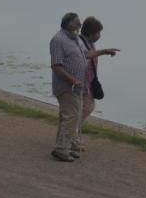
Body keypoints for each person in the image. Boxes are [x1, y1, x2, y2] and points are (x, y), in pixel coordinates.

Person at [74, 17, 120, 153]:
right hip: (80, 83)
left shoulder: (88, 43)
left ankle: (73, 136)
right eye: (98, 33)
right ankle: (72, 137)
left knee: (84, 109)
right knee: (85, 109)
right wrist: (105, 51)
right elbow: (86, 56)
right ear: (91, 33)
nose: (99, 36)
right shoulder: (81, 43)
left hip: (88, 82)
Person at [49, 12, 89, 162]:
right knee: (71, 118)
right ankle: (61, 149)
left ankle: (64, 147)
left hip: (77, 88)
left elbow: (87, 55)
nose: (80, 25)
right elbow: (56, 66)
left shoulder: (76, 39)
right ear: (68, 23)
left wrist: (104, 52)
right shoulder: (58, 40)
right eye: (77, 22)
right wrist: (73, 80)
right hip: (67, 88)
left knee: (70, 118)